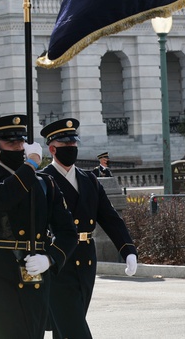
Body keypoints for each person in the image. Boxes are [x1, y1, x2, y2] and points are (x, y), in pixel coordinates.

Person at [0, 115, 77, 339]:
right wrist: (31, 165)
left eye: (21, 142)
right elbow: (3, 196)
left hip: (34, 273)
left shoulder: (44, 183)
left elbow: (67, 232)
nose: (18, 147)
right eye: (10, 143)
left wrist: (51, 258)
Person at [39, 119, 138, 338]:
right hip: (57, 261)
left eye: (74, 144)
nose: (71, 149)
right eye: (66, 146)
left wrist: (127, 249)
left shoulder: (89, 180)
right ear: (52, 149)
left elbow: (110, 218)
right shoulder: (43, 180)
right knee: (74, 328)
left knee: (65, 327)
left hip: (85, 260)